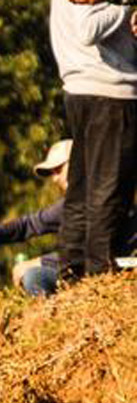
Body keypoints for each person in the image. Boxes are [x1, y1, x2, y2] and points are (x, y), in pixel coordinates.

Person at [0, 139, 137, 296]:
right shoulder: (72, 205)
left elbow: (99, 252)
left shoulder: (110, 194)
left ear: (80, 163)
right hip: (90, 273)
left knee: (32, 273)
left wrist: (43, 261)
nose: (54, 178)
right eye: (52, 173)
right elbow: (28, 224)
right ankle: (53, 317)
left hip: (124, 268)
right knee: (34, 276)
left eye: (59, 169)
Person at [49, 0, 137, 281]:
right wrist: (125, 6)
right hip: (110, 92)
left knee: (82, 187)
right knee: (109, 187)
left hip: (82, 89)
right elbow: (88, 29)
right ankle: (100, 272)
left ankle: (72, 271)